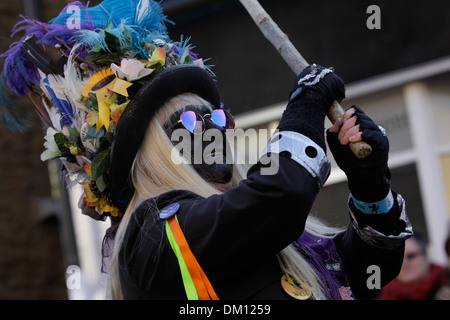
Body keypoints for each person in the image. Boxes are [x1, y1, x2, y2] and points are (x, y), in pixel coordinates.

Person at [0, 0, 412, 300]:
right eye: (188, 124)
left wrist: (369, 182)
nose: (211, 131)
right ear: (155, 152)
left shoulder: (253, 227)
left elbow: (368, 272)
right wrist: (304, 110)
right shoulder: (151, 237)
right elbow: (279, 197)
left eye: (214, 119)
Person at [381, 232, 447, 300]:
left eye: (411, 256)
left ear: (425, 256)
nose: (404, 264)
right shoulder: (382, 294)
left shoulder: (447, 283)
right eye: (398, 259)